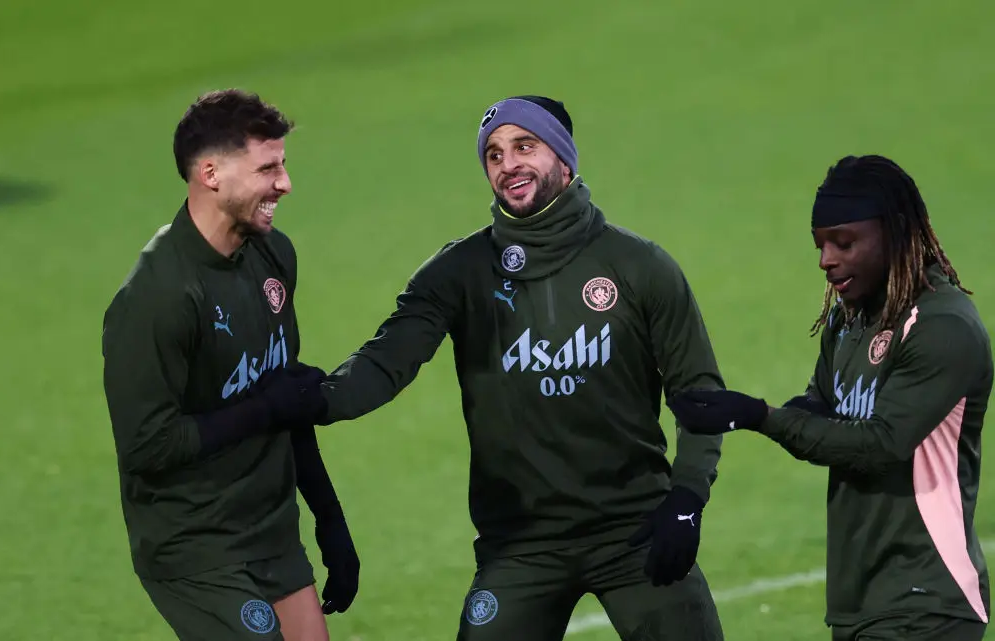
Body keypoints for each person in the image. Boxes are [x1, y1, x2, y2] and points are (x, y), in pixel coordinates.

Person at [319, 95, 726, 640]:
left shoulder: (638, 266)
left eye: (524, 146)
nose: (508, 163)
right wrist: (317, 398)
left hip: (634, 529)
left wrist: (686, 500)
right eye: (493, 154)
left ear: (563, 158)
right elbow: (387, 360)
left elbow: (698, 391)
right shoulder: (459, 272)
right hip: (520, 545)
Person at [668, 155, 991, 641]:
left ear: (895, 233)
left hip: (927, 596)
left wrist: (760, 417)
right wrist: (731, 410)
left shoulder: (943, 329)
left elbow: (880, 444)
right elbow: (823, 413)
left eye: (844, 242)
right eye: (820, 245)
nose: (826, 260)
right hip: (861, 599)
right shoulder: (849, 320)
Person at [101, 89, 359, 641]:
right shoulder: (159, 297)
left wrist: (329, 520)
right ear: (212, 174)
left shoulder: (271, 256)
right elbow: (148, 446)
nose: (285, 184)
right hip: (195, 544)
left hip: (271, 529)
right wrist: (264, 409)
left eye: (283, 165)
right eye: (268, 168)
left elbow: (285, 398)